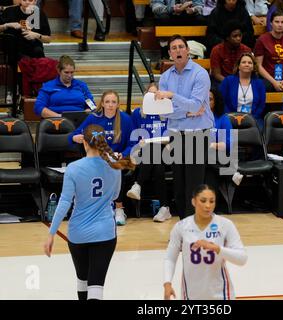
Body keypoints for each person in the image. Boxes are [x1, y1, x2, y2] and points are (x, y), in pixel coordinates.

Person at [43, 124, 135, 300]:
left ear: (84, 143)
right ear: (102, 141)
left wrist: (51, 233)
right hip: (105, 233)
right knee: (96, 286)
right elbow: (115, 196)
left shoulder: (73, 168)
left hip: (78, 234)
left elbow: (64, 202)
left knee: (82, 281)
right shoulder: (114, 165)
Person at [156, 34, 214, 219]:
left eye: (181, 46)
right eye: (174, 48)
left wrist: (172, 96)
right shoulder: (165, 77)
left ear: (188, 50)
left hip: (197, 133)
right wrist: (185, 111)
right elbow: (163, 113)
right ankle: (184, 225)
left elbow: (197, 106)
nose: (178, 50)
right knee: (179, 185)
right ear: (170, 53)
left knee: (194, 186)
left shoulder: (200, 74)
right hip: (176, 133)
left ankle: (195, 228)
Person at [163, 184, 247, 300]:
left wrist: (217, 249)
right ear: (193, 201)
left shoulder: (225, 225)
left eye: (212, 201)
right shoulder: (181, 226)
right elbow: (170, 258)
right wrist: (167, 283)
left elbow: (242, 258)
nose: (208, 205)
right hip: (190, 295)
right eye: (203, 201)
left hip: (221, 294)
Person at [69, 90, 134, 226]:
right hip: (98, 158)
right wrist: (76, 137)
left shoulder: (126, 119)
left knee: (116, 166)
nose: (110, 105)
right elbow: (74, 134)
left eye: (113, 102)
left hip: (119, 158)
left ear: (118, 104)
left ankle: (119, 208)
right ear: (102, 104)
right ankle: (95, 209)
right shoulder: (94, 118)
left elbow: (132, 143)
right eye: (107, 102)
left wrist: (124, 153)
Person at [126, 83, 172, 223]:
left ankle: (138, 185)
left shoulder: (168, 113)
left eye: (157, 94)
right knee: (156, 163)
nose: (154, 98)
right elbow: (133, 137)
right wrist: (138, 145)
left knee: (155, 150)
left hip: (167, 152)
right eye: (150, 95)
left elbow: (174, 135)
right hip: (143, 152)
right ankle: (165, 207)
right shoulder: (138, 114)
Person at [254, 10, 283, 92]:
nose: (280, 25)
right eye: (277, 22)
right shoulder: (262, 40)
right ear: (271, 23)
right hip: (268, 78)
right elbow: (258, 66)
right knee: (265, 86)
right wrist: (274, 82)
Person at [220, 52, 266, 129]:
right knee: (227, 133)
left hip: (253, 119)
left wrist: (251, 118)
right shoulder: (228, 81)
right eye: (243, 62)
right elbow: (222, 102)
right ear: (238, 66)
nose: (247, 64)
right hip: (230, 117)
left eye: (250, 63)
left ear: (253, 67)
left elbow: (261, 105)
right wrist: (231, 117)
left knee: (260, 129)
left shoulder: (259, 83)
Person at [210, 19, 252, 84]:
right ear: (227, 37)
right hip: (222, 82)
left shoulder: (246, 50)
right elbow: (216, 74)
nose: (238, 38)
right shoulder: (216, 50)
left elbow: (250, 71)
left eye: (240, 35)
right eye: (235, 36)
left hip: (242, 81)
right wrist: (231, 83)